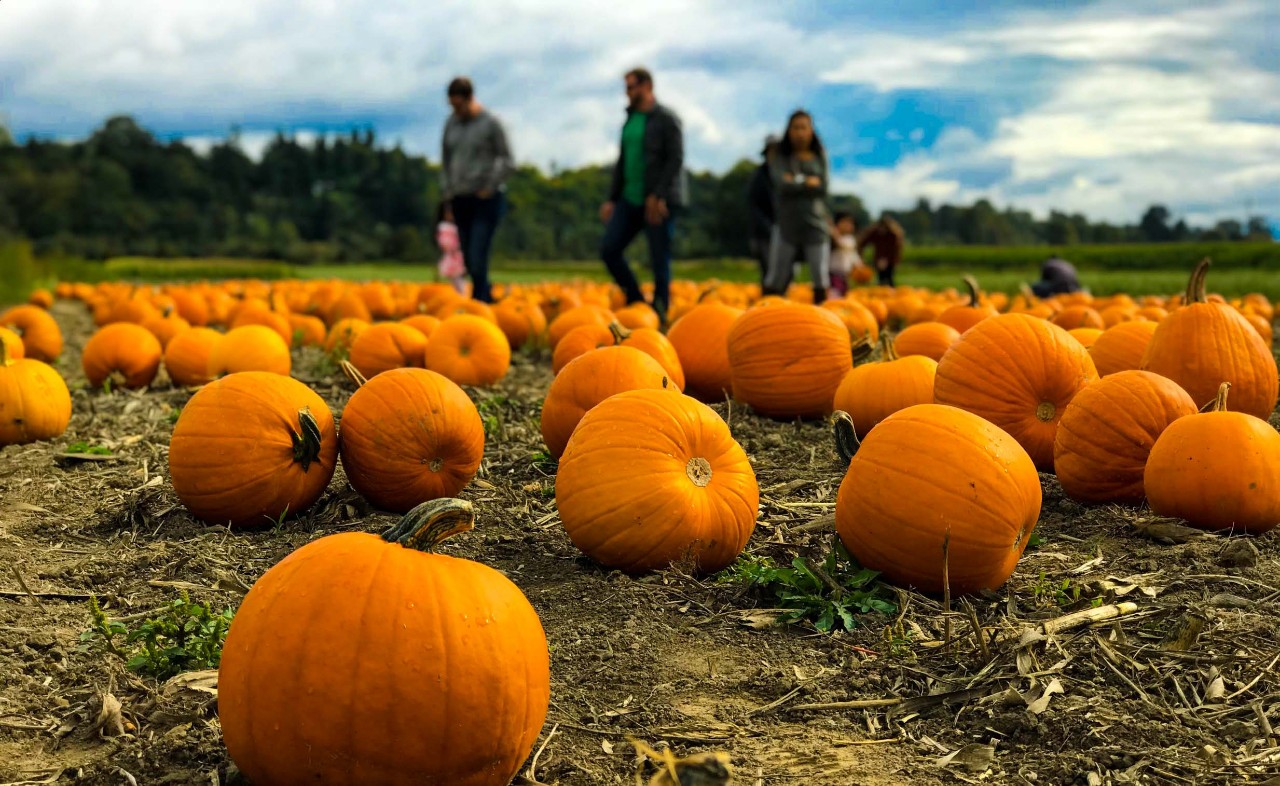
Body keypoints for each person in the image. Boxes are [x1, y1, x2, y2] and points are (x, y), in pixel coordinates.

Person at [599, 67, 687, 324]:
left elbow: (675, 159)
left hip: (658, 200)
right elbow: (624, 161)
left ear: (647, 86)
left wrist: (658, 194)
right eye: (626, 88)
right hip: (629, 198)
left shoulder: (667, 118)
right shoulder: (630, 119)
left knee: (659, 256)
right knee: (609, 249)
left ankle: (660, 310)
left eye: (632, 87)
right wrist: (612, 199)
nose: (628, 93)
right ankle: (637, 301)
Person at [440, 76, 513, 303]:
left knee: (477, 254)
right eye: (452, 106)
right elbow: (446, 161)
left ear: (470, 98)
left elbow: (507, 160)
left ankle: (480, 304)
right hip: (460, 198)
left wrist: (489, 186)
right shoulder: (451, 124)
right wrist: (447, 196)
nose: (456, 110)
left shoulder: (490, 123)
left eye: (459, 105)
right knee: (469, 261)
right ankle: (486, 297)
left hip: (485, 199)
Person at [763, 110, 831, 303]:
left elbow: (823, 187)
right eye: (796, 128)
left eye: (804, 127)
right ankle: (766, 316)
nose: (800, 133)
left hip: (815, 224)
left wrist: (795, 180)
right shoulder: (780, 156)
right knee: (777, 274)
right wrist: (808, 182)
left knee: (820, 274)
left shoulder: (820, 156)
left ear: (811, 131)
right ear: (789, 131)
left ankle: (823, 320)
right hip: (787, 224)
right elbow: (781, 184)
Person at [747, 134, 780, 282]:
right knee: (769, 270)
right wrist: (767, 226)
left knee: (785, 271)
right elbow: (753, 205)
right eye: (772, 151)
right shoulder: (759, 177)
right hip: (764, 232)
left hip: (785, 231)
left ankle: (782, 301)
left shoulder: (785, 175)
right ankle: (769, 300)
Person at [857, 216, 905, 287]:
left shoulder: (893, 235)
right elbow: (862, 243)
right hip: (878, 259)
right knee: (881, 279)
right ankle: (882, 293)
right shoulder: (875, 233)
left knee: (889, 279)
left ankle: (889, 293)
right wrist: (861, 257)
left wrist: (888, 260)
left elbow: (895, 250)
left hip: (890, 260)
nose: (882, 230)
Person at [434, 204, 467, 294]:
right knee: (450, 276)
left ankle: (460, 293)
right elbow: (443, 241)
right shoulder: (444, 226)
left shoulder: (458, 226)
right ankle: (455, 293)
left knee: (458, 276)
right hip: (450, 255)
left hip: (457, 255)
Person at [828, 211, 863, 297]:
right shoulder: (831, 240)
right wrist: (833, 233)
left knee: (844, 293)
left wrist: (859, 265)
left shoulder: (850, 239)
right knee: (835, 293)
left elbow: (853, 255)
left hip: (845, 274)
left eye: (850, 223)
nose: (848, 225)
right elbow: (840, 244)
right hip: (833, 272)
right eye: (845, 222)